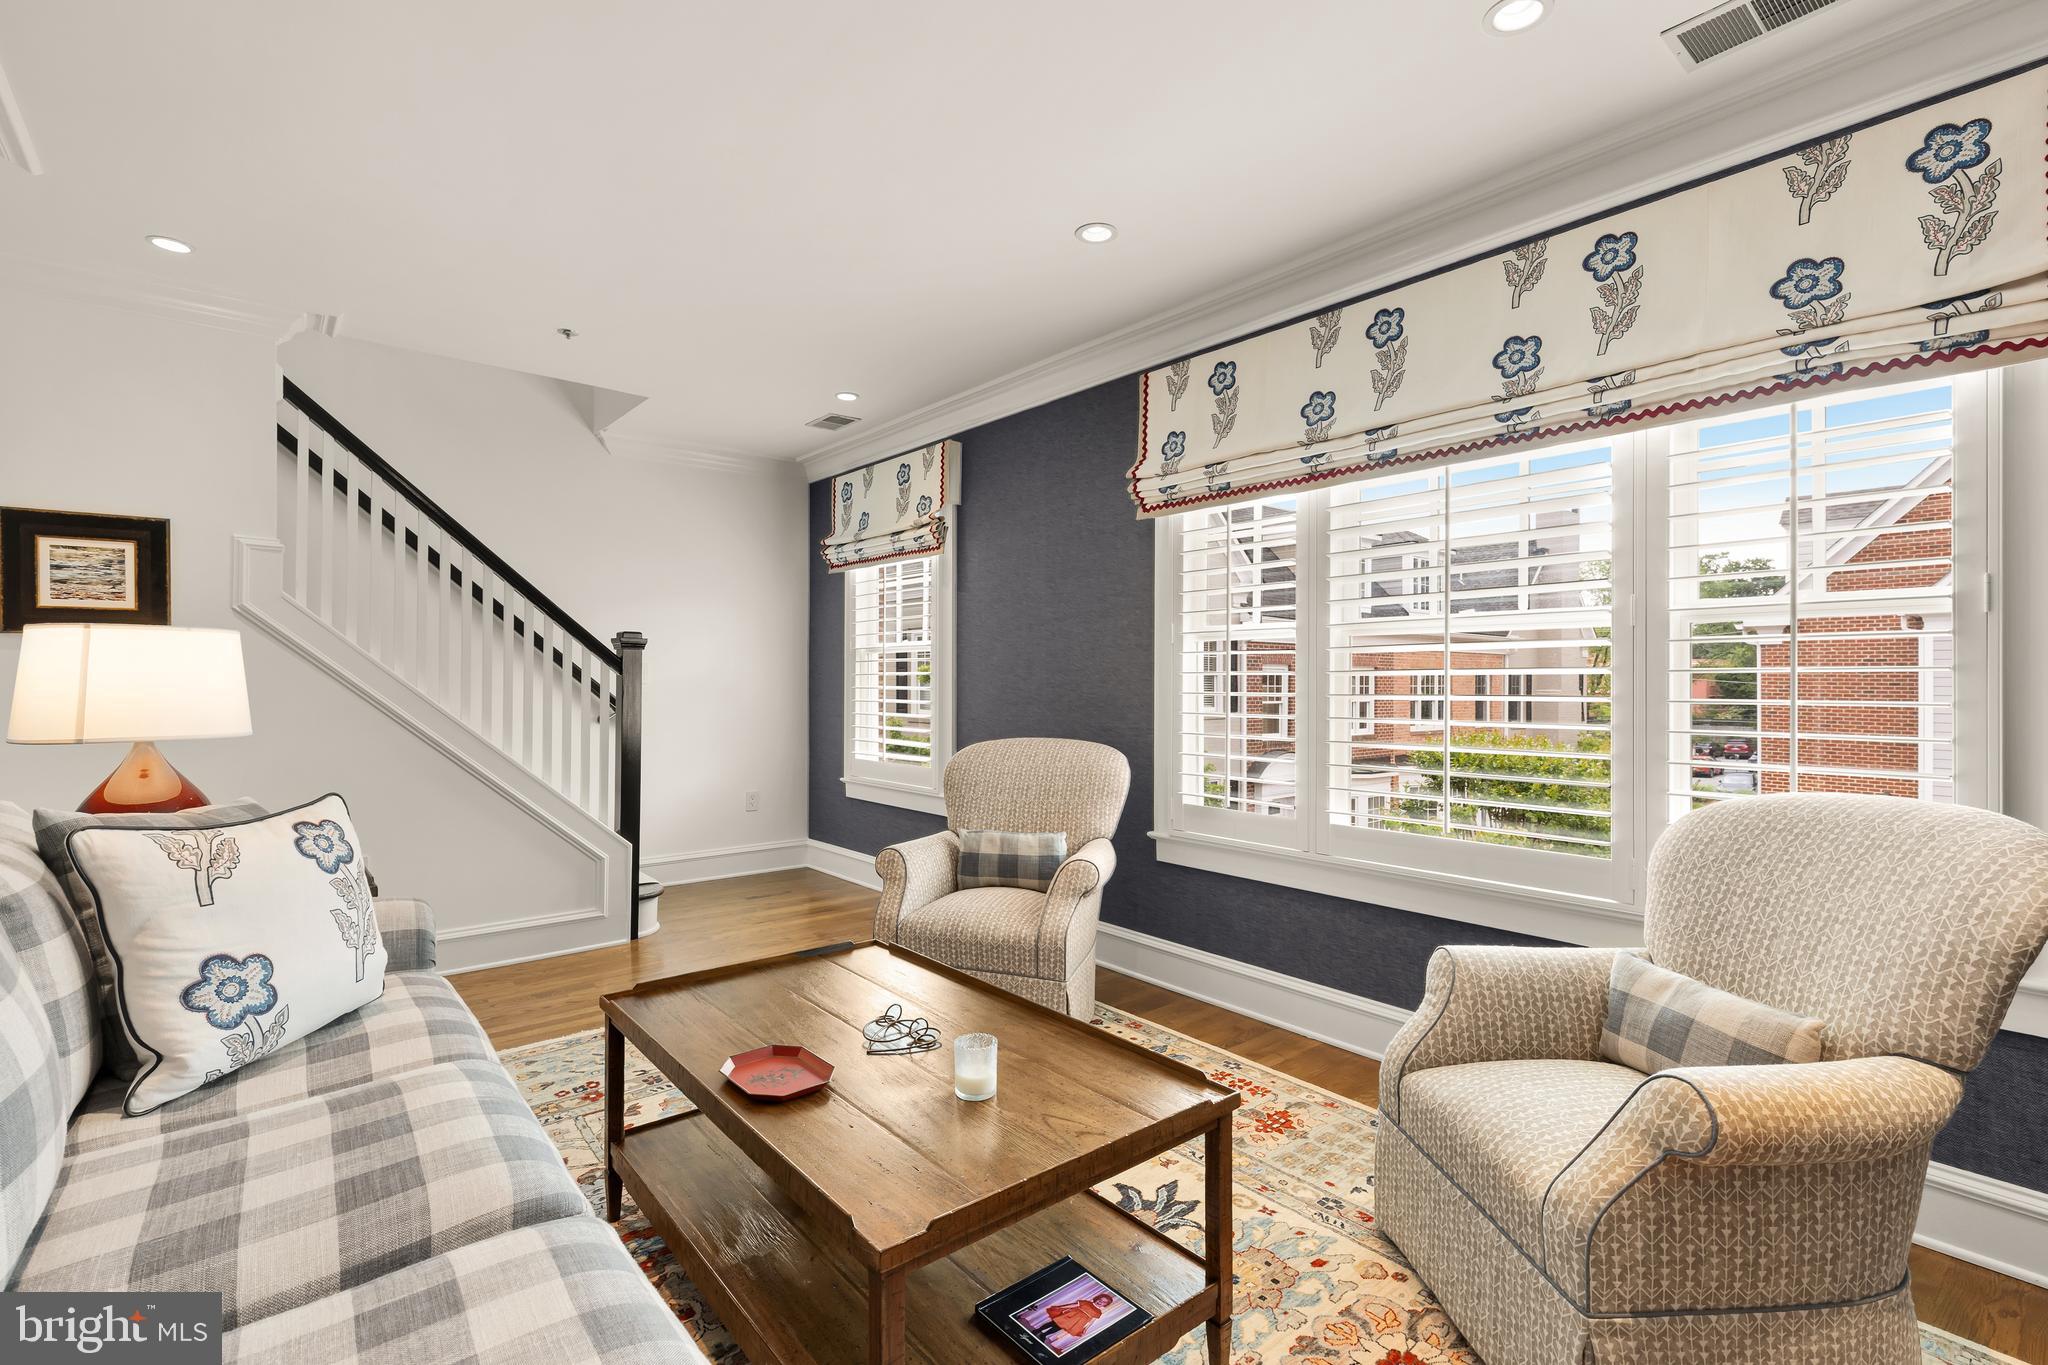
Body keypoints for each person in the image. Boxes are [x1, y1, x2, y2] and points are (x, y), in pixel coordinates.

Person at [1033, 1291, 1117, 1345]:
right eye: (1100, 1300)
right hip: (1069, 1316)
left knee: (1058, 1328)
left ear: (1105, 1305)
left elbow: (1091, 1321)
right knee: (1053, 1323)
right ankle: (1038, 1330)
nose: (1100, 1302)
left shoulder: (1098, 1313)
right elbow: (1074, 1305)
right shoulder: (1086, 1303)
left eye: (1103, 1302)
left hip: (1075, 1322)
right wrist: (1060, 1307)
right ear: (1097, 1299)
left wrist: (1085, 1329)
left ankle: (1044, 1335)